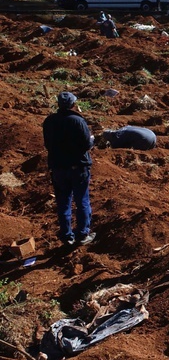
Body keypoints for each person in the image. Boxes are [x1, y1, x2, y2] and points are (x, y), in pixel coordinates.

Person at [42, 92, 97, 246]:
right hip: (78, 167)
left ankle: (67, 236)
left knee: (63, 202)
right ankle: (82, 234)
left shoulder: (49, 121)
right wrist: (92, 141)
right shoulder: (78, 121)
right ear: (73, 104)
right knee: (82, 201)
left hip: (58, 167)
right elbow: (87, 144)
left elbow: (47, 144)